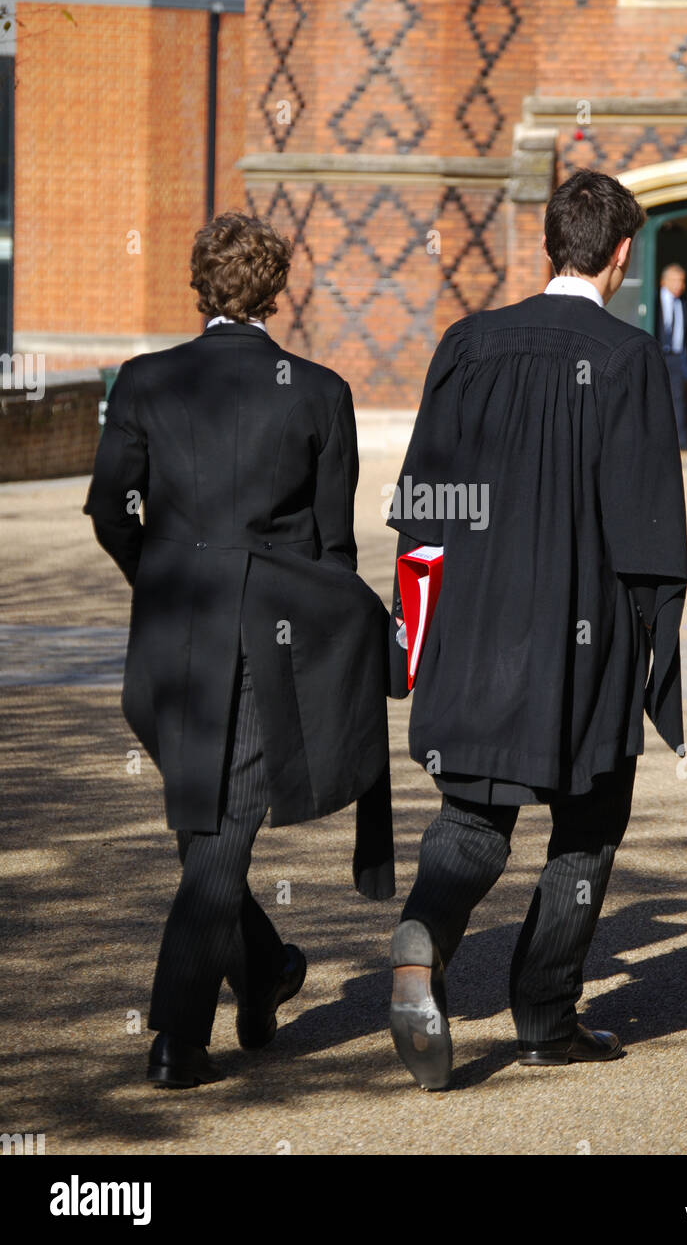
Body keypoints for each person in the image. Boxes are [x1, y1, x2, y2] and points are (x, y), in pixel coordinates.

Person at [385, 170, 687, 1091]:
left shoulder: (466, 343)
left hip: (473, 623)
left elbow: (423, 510)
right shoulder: (630, 358)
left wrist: (413, 634)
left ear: (551, 241)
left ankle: (420, 944)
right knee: (589, 822)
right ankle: (546, 1014)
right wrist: (653, 652)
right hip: (579, 630)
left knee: (473, 814)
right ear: (622, 254)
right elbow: (646, 532)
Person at [84, 210, 393, 1090]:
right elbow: (336, 556)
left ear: (197, 284)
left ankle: (262, 973)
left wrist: (162, 579)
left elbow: (112, 513)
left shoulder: (142, 380)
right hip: (266, 642)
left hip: (165, 641)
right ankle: (177, 1041)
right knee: (215, 841)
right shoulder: (320, 390)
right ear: (276, 290)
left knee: (207, 830)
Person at [655, 262, 687, 449]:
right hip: (659, 355)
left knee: (678, 398)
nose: (680, 285)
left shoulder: (683, 303)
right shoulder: (654, 301)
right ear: (664, 282)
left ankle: (680, 441)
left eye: (682, 281)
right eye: (675, 280)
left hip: (677, 357)